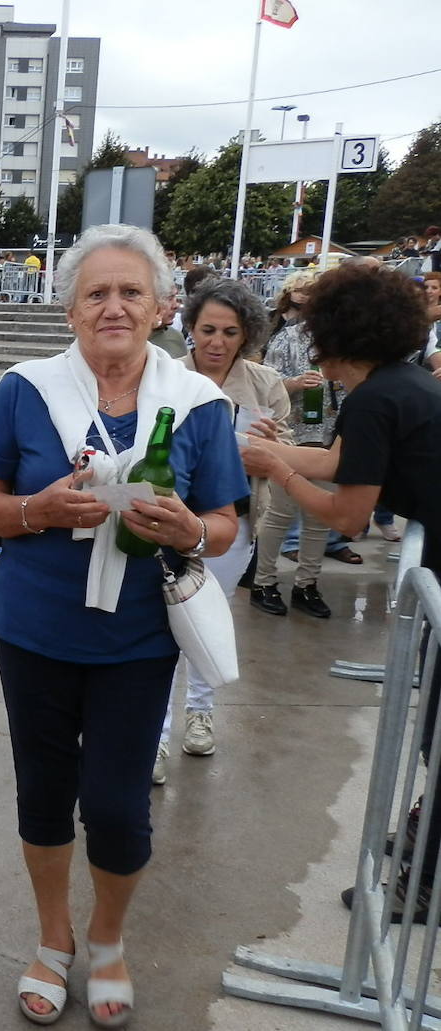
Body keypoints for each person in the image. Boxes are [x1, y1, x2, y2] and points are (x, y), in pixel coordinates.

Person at [0, 223, 247, 1027]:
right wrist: (35, 508)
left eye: (131, 292)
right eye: (96, 293)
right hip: (35, 629)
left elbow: (225, 522)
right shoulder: (25, 389)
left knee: (119, 805)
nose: (114, 306)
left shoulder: (194, 405)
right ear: (71, 311)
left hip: (140, 637)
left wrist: (188, 528)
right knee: (45, 792)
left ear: (161, 307)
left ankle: (109, 937)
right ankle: (54, 938)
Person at [239, 263, 441, 921]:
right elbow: (334, 462)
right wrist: (277, 451)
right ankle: (425, 830)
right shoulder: (391, 386)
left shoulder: (380, 397)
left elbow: (349, 514)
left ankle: (425, 880)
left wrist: (276, 472)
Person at [152, 278, 288, 784]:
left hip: (235, 517)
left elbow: (282, 448)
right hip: (170, 517)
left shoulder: (265, 383)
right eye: (207, 329)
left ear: (246, 334)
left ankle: (201, 712)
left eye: (229, 331)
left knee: (207, 616)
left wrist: (271, 446)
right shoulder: (166, 376)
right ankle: (158, 734)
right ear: (190, 328)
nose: (216, 341)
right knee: (167, 626)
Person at [251, 273, 352, 619]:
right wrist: (295, 383)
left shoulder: (345, 342)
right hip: (291, 437)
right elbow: (268, 384)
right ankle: (264, 582)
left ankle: (307, 584)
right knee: (279, 514)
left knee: (321, 516)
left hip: (329, 438)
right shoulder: (287, 338)